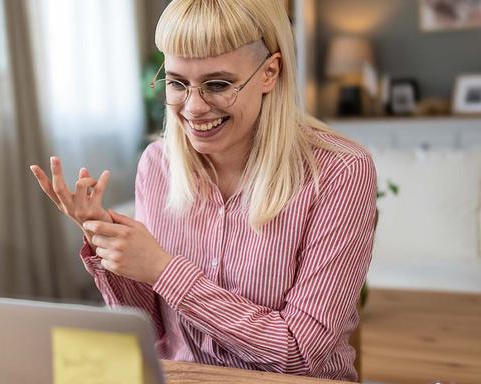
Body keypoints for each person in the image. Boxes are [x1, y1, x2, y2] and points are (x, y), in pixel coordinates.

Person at [29, 0, 376, 381]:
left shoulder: (340, 171)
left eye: (217, 84)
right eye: (177, 82)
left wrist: (163, 269)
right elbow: (152, 329)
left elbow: (298, 352)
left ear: (270, 73)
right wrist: (107, 240)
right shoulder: (157, 164)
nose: (193, 107)